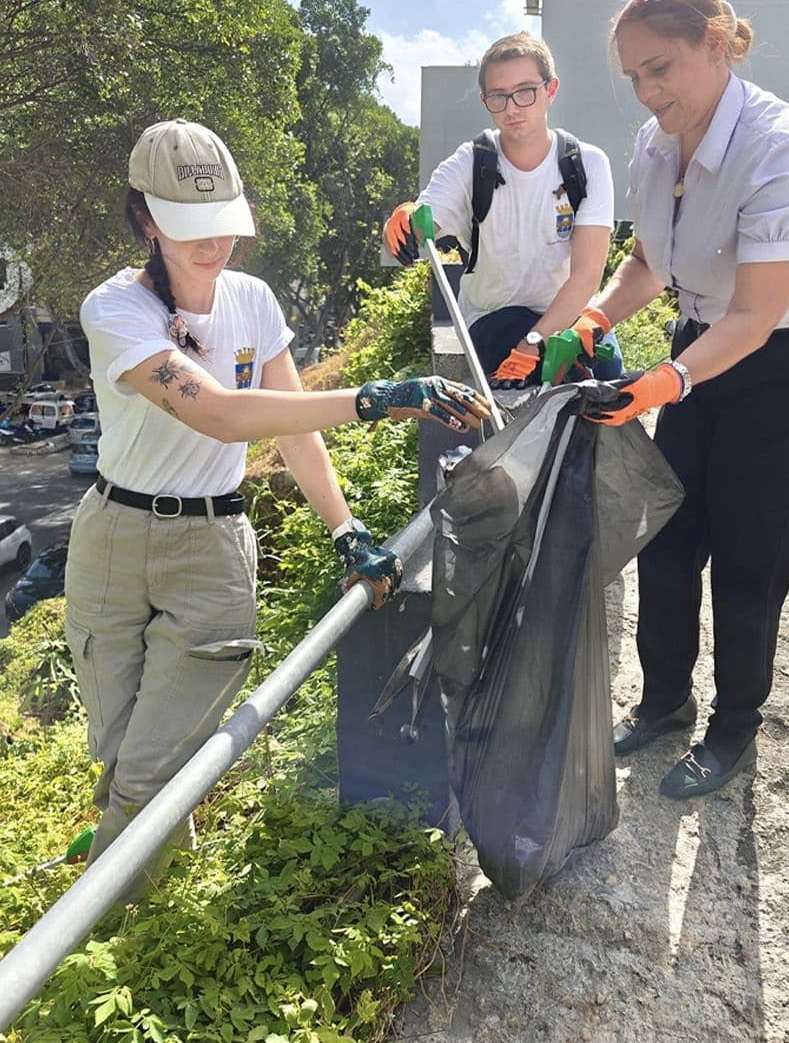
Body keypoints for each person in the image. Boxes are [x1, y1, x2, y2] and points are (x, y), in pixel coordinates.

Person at [71, 119, 491, 899]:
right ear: (144, 218)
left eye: (223, 224)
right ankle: (158, 858)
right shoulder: (115, 309)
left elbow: (292, 427)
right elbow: (225, 414)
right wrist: (376, 400)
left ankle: (102, 921)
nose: (214, 245)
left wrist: (348, 531)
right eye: (191, 228)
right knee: (121, 741)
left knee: (150, 761)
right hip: (111, 536)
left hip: (211, 543)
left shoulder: (254, 301)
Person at [582, 0, 789, 800]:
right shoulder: (653, 144)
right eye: (632, 75)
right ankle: (665, 702)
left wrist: (660, 384)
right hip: (705, 352)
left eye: (658, 68)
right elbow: (646, 264)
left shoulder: (781, 147)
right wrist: (589, 325)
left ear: (715, 43)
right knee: (668, 541)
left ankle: (734, 726)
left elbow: (757, 313)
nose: (644, 92)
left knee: (749, 560)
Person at [382, 32, 622, 389]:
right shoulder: (472, 162)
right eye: (498, 96)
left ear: (550, 90)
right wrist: (405, 218)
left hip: (567, 316)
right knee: (513, 374)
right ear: (485, 100)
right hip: (492, 319)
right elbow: (424, 215)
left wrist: (536, 342)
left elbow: (587, 276)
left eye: (525, 92)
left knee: (607, 374)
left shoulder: (586, 164)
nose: (512, 108)